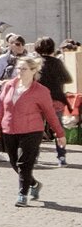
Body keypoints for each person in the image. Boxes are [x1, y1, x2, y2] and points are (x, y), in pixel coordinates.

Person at [0, 56, 60, 207]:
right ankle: (34, 184)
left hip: (32, 130)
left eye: (24, 69)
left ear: (34, 71)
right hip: (9, 129)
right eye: (18, 68)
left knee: (24, 163)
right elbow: (0, 106)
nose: (20, 72)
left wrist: (59, 133)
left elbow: (50, 113)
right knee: (14, 162)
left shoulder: (41, 91)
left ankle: (22, 194)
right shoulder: (9, 86)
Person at [32, 37, 71, 167]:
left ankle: (34, 156)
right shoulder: (57, 62)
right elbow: (68, 79)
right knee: (58, 128)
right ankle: (61, 157)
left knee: (37, 128)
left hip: (37, 100)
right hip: (56, 98)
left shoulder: (35, 62)